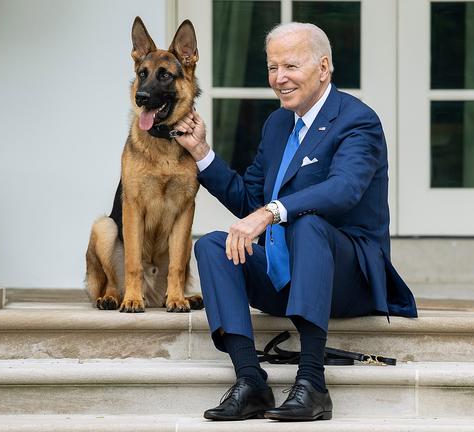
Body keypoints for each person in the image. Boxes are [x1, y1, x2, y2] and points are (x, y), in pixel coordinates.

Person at [172, 22, 417, 422]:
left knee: (307, 223)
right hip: (285, 274)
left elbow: (344, 190)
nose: (279, 79)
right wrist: (202, 153)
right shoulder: (277, 124)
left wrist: (271, 213)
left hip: (346, 277)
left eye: (290, 66)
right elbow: (251, 200)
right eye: (272, 67)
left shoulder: (358, 121)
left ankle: (312, 383)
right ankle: (250, 381)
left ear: (323, 68)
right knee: (212, 245)